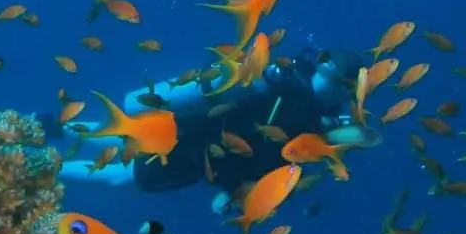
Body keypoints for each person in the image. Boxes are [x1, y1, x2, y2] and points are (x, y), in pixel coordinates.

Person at [61, 50, 377, 198]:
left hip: (190, 125)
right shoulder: (299, 105)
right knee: (120, 175)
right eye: (351, 91)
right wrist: (234, 189)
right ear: (342, 84)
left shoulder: (287, 78)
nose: (347, 99)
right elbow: (266, 153)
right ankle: (47, 163)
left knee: (120, 138)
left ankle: (48, 128)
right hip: (200, 149)